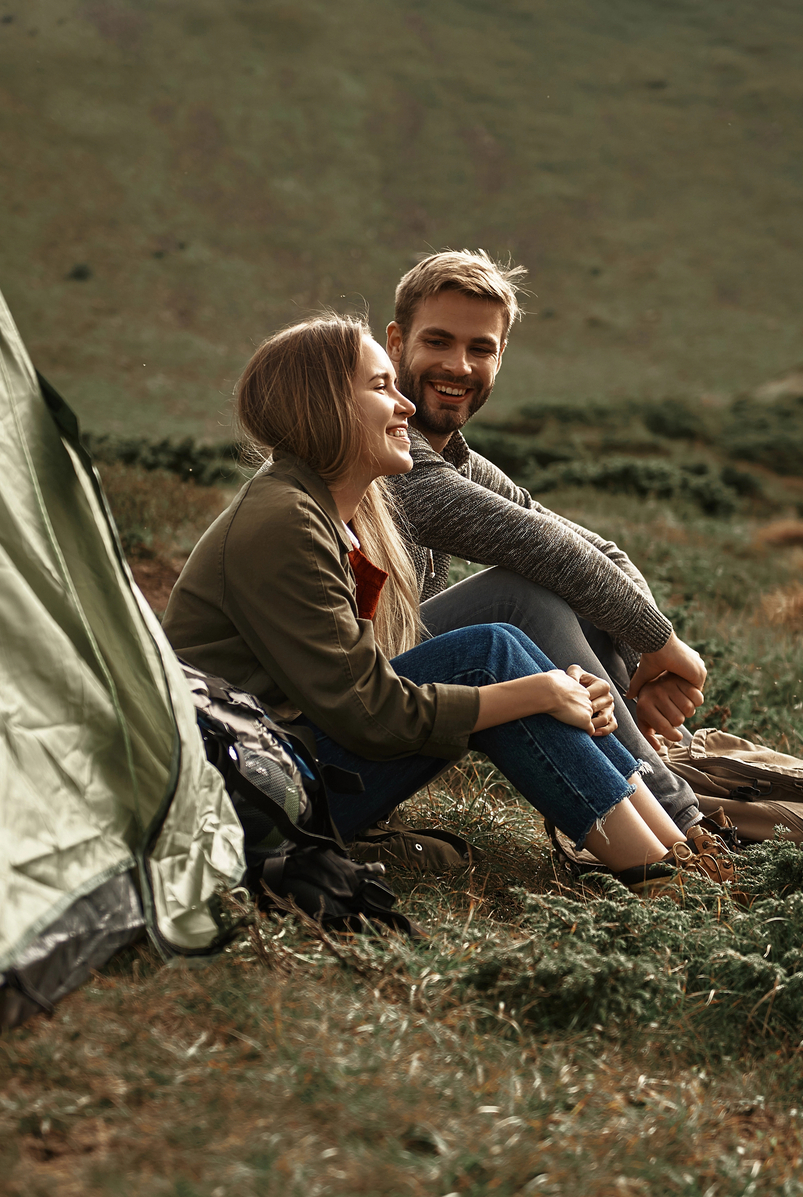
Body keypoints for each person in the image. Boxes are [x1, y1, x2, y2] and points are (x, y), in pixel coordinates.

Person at [162, 315, 720, 892]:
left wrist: (566, 690)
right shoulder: (287, 521)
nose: (404, 405)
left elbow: (573, 546)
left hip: (285, 761)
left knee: (505, 650)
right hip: (249, 791)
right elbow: (372, 715)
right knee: (490, 655)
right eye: (381, 387)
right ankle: (660, 878)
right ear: (324, 405)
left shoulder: (340, 509)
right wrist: (539, 691)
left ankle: (680, 854)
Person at [381, 250, 715, 839]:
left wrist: (639, 663)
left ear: (501, 357)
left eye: (480, 348)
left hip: (389, 693)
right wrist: (667, 646)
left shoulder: (455, 460)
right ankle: (674, 810)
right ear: (396, 342)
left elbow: (597, 552)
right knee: (518, 598)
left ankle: (653, 781)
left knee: (573, 585)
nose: (458, 365)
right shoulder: (386, 451)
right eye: (438, 342)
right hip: (325, 715)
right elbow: (537, 546)